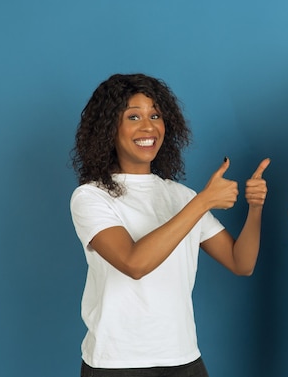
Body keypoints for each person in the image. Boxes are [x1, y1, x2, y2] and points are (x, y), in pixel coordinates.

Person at [70, 73, 270, 377]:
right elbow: (134, 263)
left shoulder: (180, 196)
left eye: (155, 115)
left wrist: (255, 208)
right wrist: (203, 202)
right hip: (117, 364)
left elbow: (241, 262)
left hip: (184, 359)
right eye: (133, 116)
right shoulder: (90, 197)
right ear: (109, 128)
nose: (148, 126)